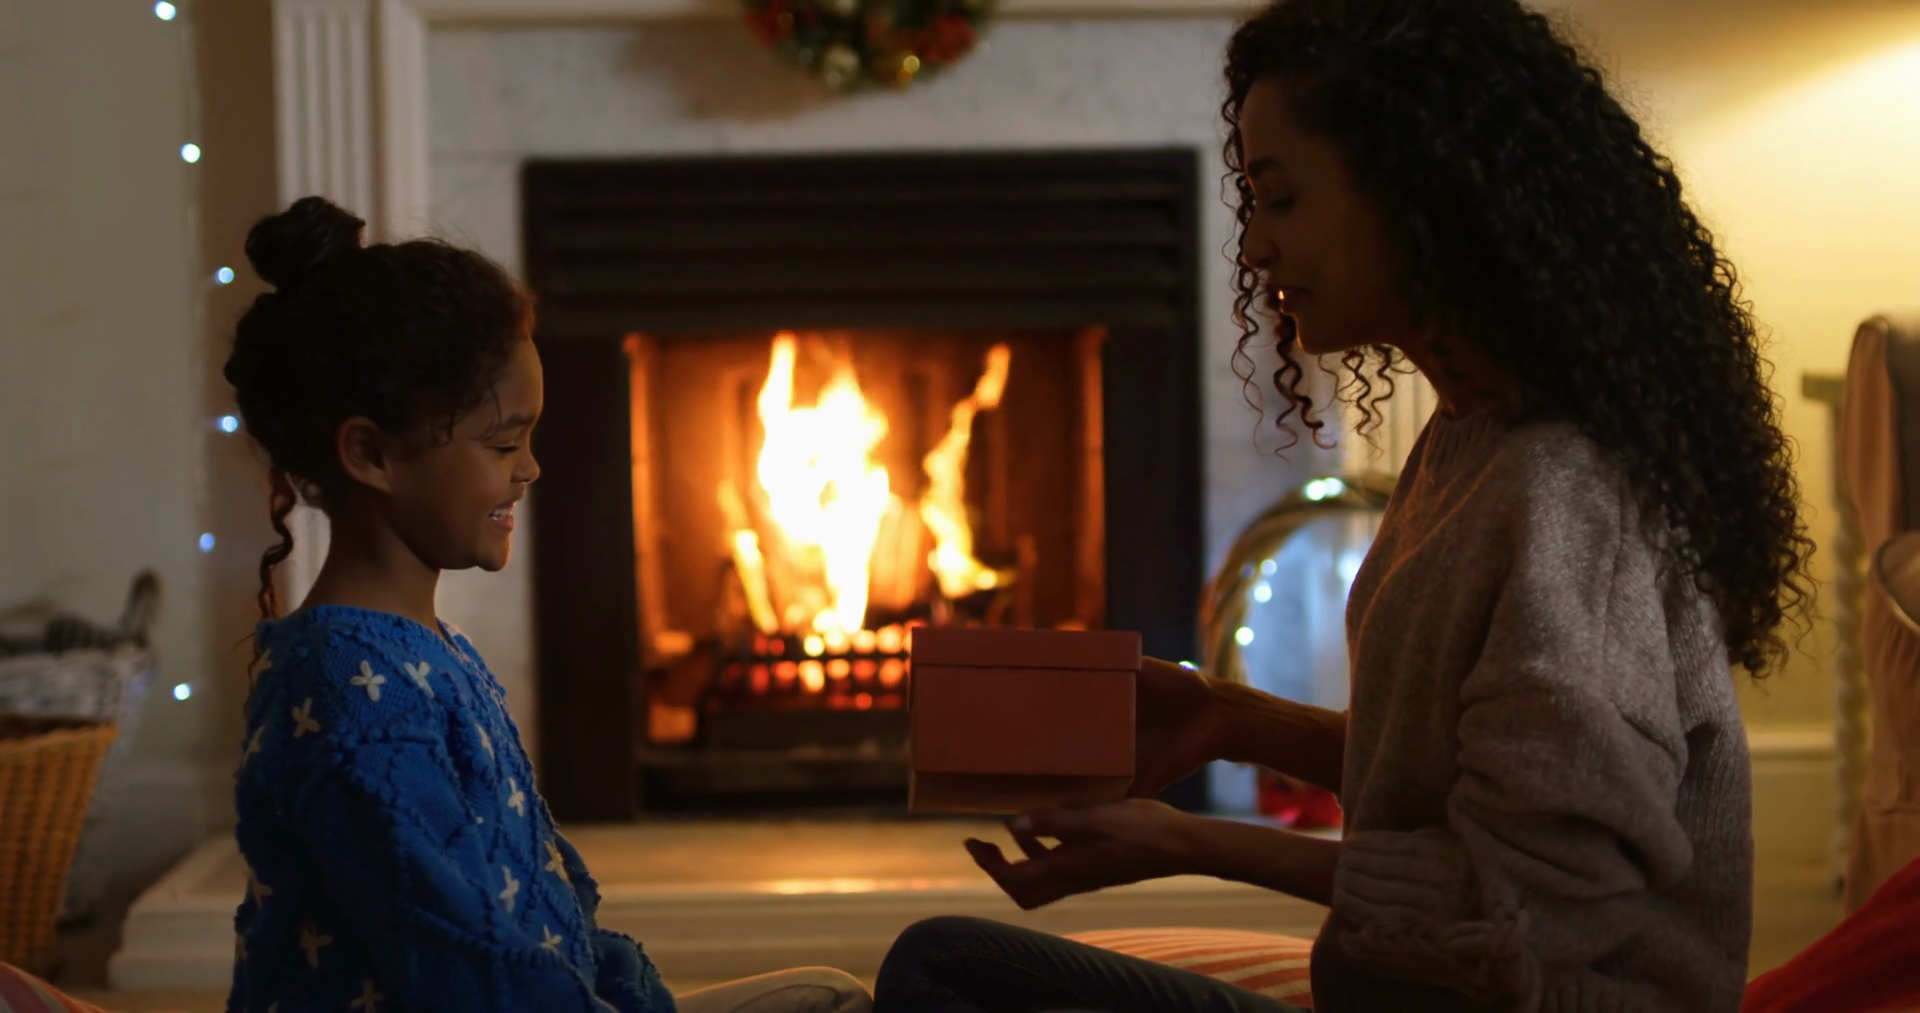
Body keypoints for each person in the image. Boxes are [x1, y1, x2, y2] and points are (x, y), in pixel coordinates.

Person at [874, 0, 1813, 1011]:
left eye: (1280, 199)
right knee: (948, 964)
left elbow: (1529, 906)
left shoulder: (1569, 497)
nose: (1256, 249)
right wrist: (1231, 718)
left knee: (945, 971)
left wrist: (1192, 843)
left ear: (1423, 195)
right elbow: (1461, 784)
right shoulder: (1475, 435)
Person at [222, 196, 871, 1013]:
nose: (530, 469)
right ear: (370, 453)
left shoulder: (420, 649)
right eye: (503, 443)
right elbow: (463, 969)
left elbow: (539, 903)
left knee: (833, 994)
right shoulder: (350, 689)